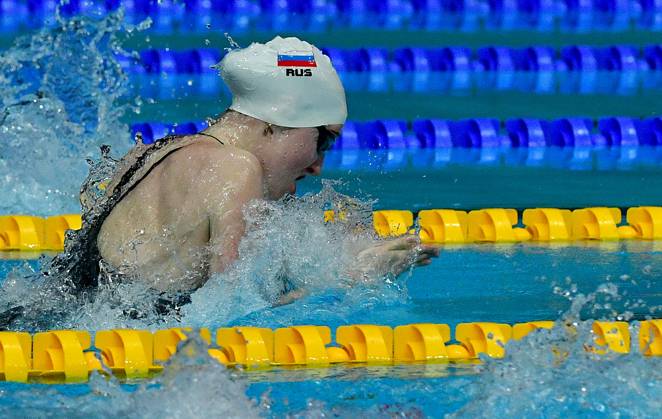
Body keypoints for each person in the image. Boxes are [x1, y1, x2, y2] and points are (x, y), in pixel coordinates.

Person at [51, 36, 440, 311]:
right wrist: (357, 276)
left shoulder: (154, 152)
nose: (318, 166)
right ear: (276, 122)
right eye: (322, 141)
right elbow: (233, 314)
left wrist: (345, 253)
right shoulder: (236, 168)